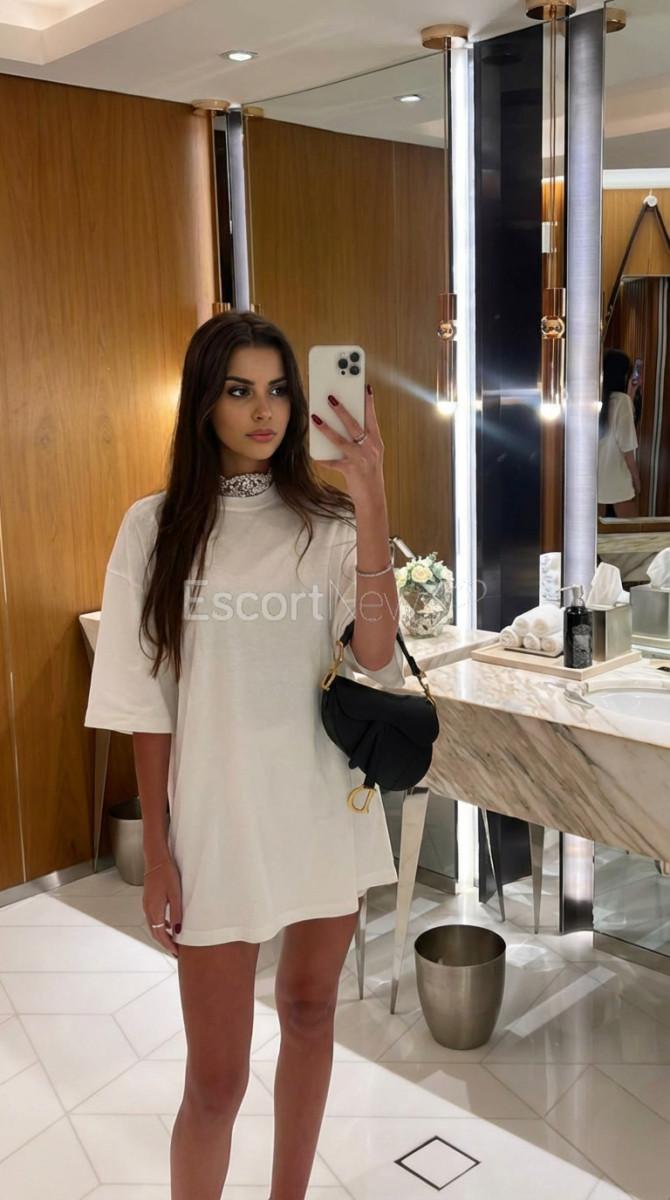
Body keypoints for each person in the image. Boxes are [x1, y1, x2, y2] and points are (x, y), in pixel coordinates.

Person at [84, 311, 404, 1200]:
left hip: (320, 804)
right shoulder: (153, 529)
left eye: (278, 391)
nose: (263, 411)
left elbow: (376, 655)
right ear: (205, 403)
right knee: (216, 1082)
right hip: (217, 821)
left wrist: (370, 494)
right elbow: (145, 705)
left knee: (309, 1011)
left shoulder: (328, 521)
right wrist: (159, 854)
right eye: (239, 391)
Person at [598, 348, 641, 518]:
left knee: (597, 529)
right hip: (617, 478)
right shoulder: (622, 402)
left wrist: (630, 393)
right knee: (630, 528)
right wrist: (636, 479)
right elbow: (627, 449)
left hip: (596, 477)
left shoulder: (596, 400)